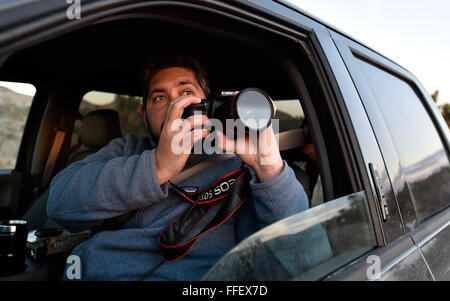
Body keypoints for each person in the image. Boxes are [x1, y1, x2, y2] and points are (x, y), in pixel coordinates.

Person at [47, 53, 309, 280]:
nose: (175, 105)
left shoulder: (241, 168)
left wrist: (271, 169)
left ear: (207, 103)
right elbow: (60, 203)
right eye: (160, 98)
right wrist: (158, 166)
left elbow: (295, 260)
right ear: (144, 113)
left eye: (186, 93)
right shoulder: (127, 149)